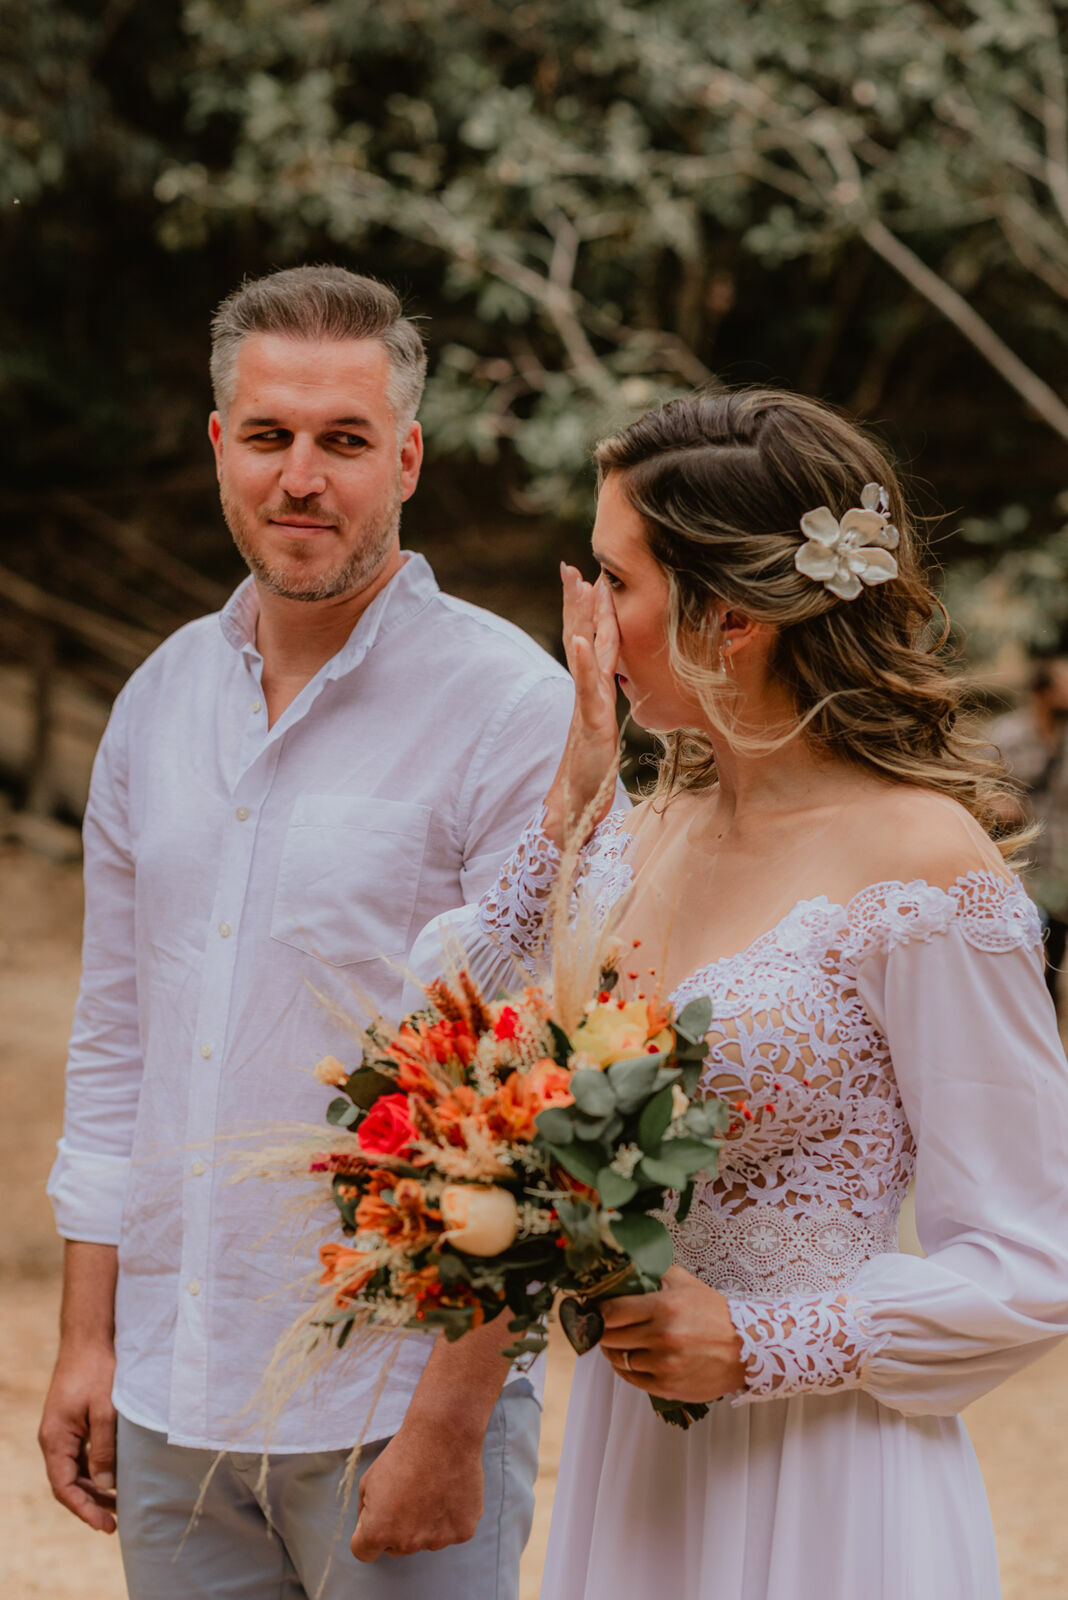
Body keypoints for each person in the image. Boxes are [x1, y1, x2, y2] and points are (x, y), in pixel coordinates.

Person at [412, 389, 1068, 1598]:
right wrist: (569, 805)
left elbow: (1034, 1253)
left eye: (617, 581)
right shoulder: (642, 824)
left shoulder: (923, 865)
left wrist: (765, 1342)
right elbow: (438, 1042)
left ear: (733, 617)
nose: (586, 621)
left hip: (829, 1477)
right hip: (638, 1461)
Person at [37, 265, 582, 1600]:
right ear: (218, 443)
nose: (301, 478)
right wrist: (88, 1340)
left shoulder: (511, 708)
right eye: (269, 435)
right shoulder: (158, 703)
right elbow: (116, 1044)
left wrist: (453, 1420)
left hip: (390, 1400)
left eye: (343, 440)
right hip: (171, 1394)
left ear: (408, 457)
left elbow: (540, 1091)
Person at [990, 652, 1068, 1012]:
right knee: (1027, 959)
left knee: (1055, 959)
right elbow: (975, 793)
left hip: (1061, 868)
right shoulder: (1005, 737)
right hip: (1022, 869)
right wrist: (999, 805)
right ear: (1043, 692)